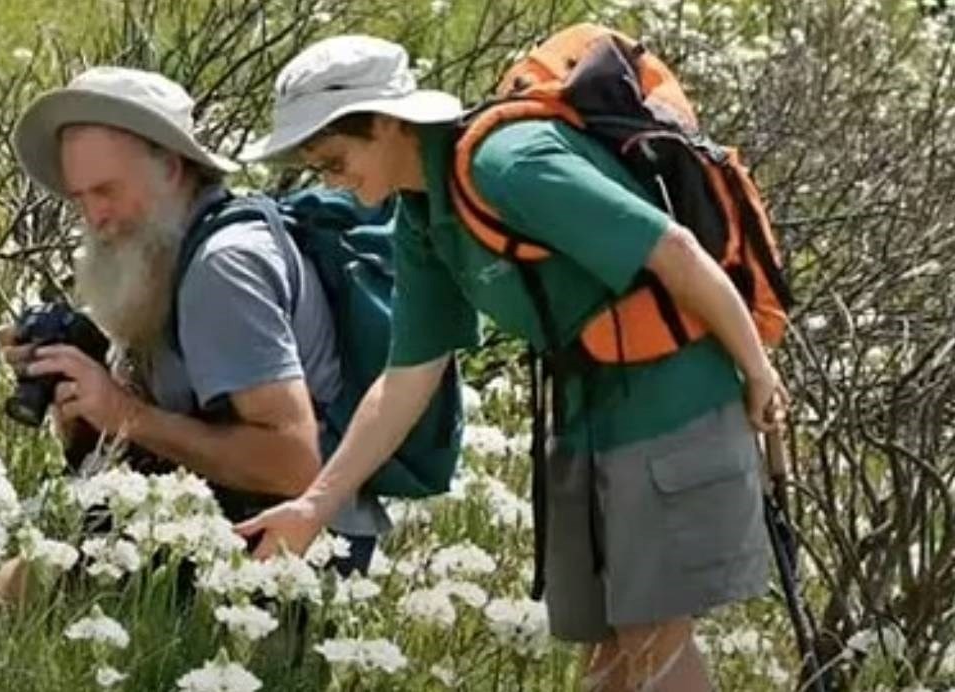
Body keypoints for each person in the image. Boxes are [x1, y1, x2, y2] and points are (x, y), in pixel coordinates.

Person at [236, 35, 789, 692]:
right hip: (590, 422)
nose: (332, 180)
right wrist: (314, 506)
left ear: (385, 123)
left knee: (652, 648)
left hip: (674, 406)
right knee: (609, 660)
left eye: (335, 159)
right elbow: (409, 374)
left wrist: (758, 374)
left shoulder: (511, 164)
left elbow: (674, 251)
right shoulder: (420, 214)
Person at [0, 66, 389, 602]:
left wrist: (125, 414)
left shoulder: (225, 268)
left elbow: (298, 464)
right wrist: (86, 390)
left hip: (292, 553)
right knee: (18, 583)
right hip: (225, 521)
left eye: (108, 190)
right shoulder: (167, 251)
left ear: (172, 168)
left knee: (14, 591)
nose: (95, 217)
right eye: (80, 197)